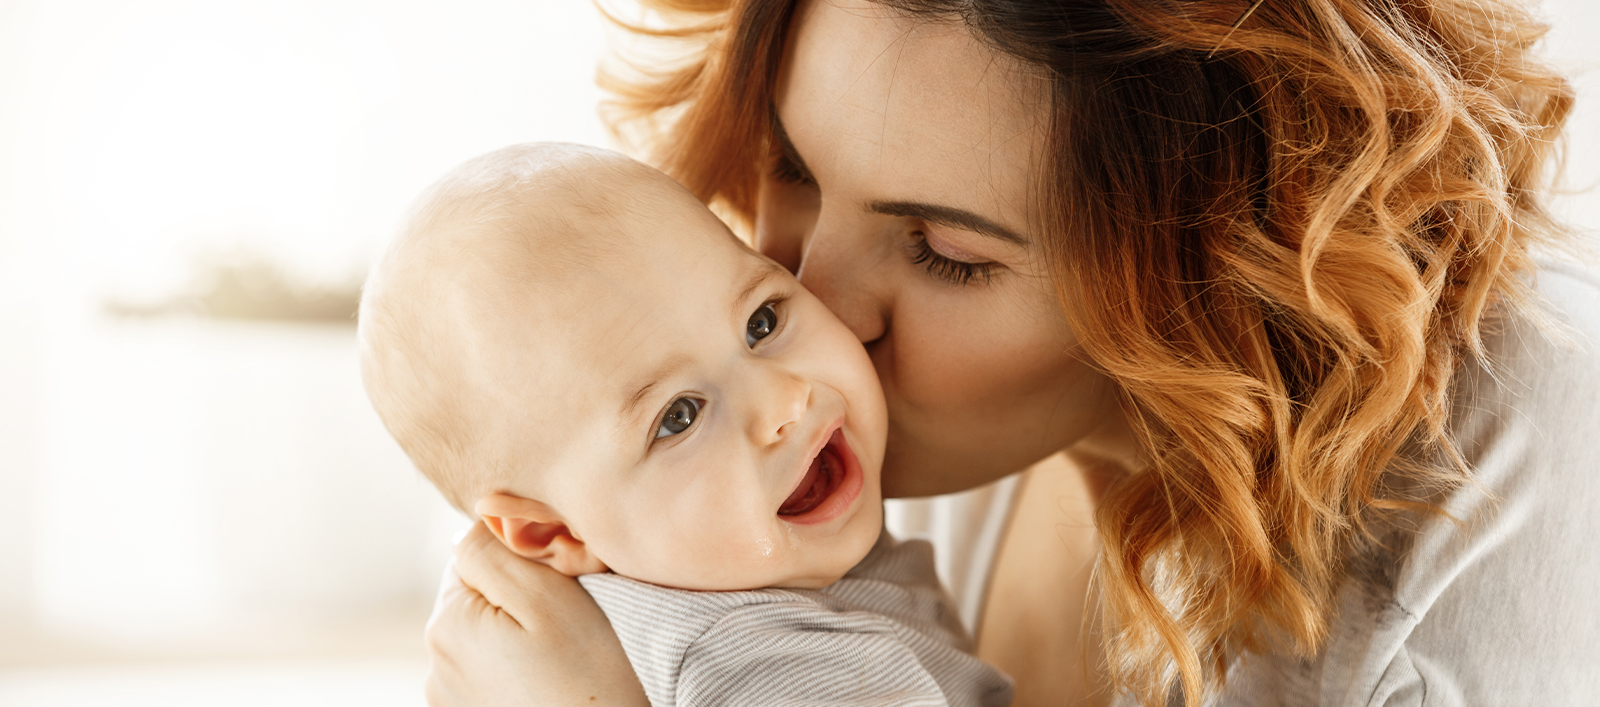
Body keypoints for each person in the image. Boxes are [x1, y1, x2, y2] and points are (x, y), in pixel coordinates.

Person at [420, 1, 1600, 705]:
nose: (807, 306)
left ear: (1205, 266)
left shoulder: (1521, 439)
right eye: (793, 167)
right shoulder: (807, 489)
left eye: (941, 251)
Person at [359, 142, 1013, 706]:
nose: (784, 401)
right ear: (549, 529)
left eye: (763, 320)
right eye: (679, 415)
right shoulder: (754, 662)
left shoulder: (735, 567)